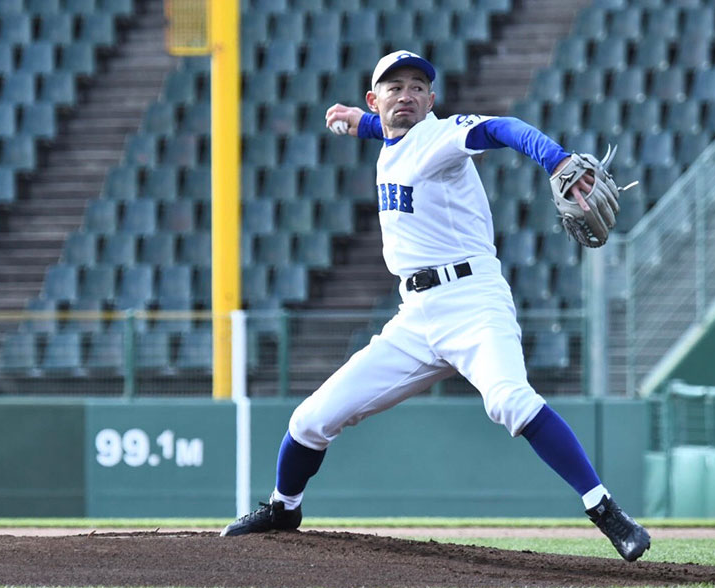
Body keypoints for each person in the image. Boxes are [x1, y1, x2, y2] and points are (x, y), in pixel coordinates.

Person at [221, 50, 650, 562]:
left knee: (509, 400)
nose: (406, 95)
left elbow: (503, 127)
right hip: (415, 318)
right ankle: (283, 508)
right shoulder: (391, 136)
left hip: (473, 302)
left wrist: (556, 160)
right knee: (310, 419)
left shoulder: (441, 136)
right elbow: (387, 132)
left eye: (418, 87)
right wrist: (356, 123)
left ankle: (605, 510)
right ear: (374, 98)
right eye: (394, 86)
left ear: (432, 99)